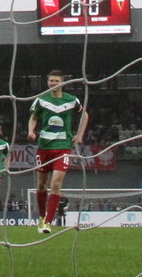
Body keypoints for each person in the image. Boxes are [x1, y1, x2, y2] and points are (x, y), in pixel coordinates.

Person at [28, 70, 90, 234]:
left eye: (56, 81)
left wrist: (79, 135)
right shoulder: (41, 100)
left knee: (55, 183)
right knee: (41, 184)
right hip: (44, 146)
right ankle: (42, 217)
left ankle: (48, 222)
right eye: (51, 81)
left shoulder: (71, 100)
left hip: (63, 146)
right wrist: (31, 131)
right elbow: (33, 117)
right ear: (48, 83)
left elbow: (85, 115)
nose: (53, 83)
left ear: (62, 83)